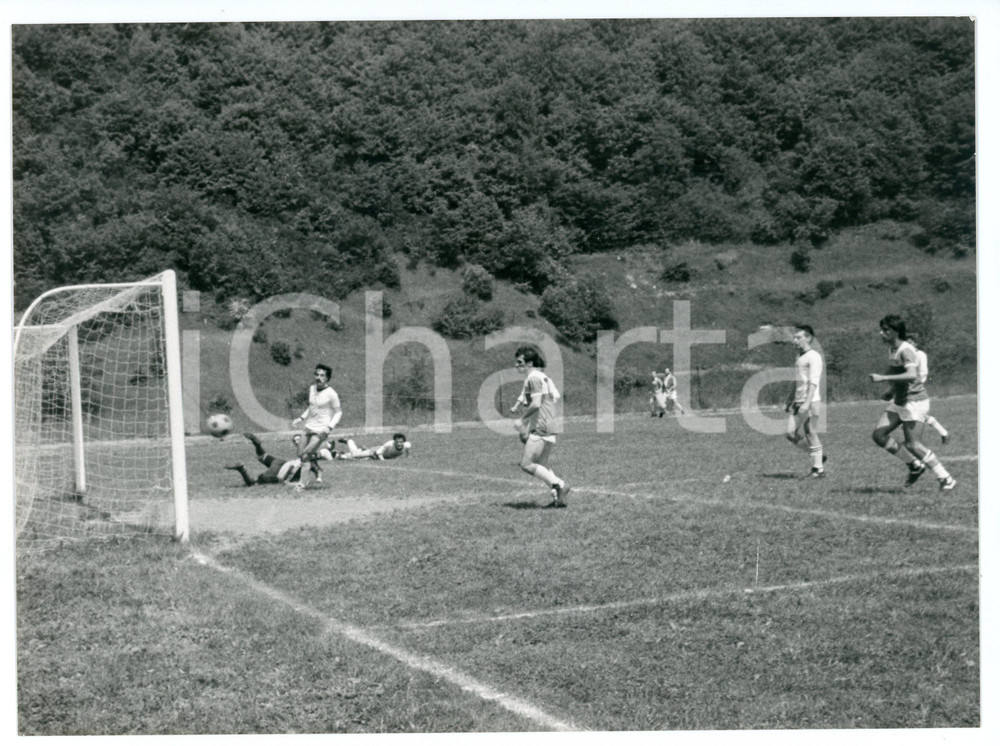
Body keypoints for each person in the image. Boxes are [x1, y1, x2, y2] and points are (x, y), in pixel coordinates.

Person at [869, 315, 956, 490]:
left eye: (885, 330)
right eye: (882, 329)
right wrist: (891, 391)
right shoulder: (893, 349)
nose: (881, 333)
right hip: (900, 401)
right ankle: (914, 466)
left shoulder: (906, 349)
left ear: (895, 331)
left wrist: (883, 378)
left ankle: (946, 478)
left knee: (913, 444)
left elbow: (911, 375)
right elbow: (900, 375)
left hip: (914, 402)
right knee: (879, 435)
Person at [513, 345, 570, 508]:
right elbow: (555, 397)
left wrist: (522, 420)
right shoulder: (542, 376)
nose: (517, 365)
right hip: (549, 424)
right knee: (542, 466)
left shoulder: (533, 378)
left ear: (529, 363)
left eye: (520, 362)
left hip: (541, 425)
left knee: (526, 464)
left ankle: (561, 485)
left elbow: (537, 404)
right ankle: (558, 499)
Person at [284, 363, 342, 492]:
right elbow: (311, 407)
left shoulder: (331, 393)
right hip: (308, 427)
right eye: (316, 374)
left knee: (305, 456)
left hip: (321, 430)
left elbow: (338, 412)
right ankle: (322, 454)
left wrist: (329, 428)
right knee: (300, 454)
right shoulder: (312, 389)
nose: (318, 377)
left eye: (322, 375)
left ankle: (301, 484)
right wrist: (301, 418)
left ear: (327, 378)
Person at [784, 325, 826, 478]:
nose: (794, 340)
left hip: (810, 401)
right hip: (798, 400)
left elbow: (814, 382)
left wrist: (807, 403)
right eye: (794, 338)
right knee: (789, 433)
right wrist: (790, 397)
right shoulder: (800, 357)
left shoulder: (814, 356)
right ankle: (818, 457)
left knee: (810, 433)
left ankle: (818, 469)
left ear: (808, 338)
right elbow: (798, 380)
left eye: (798, 337)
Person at [225, 433, 322, 486]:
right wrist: (318, 479)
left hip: (281, 463)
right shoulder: (308, 455)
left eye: (298, 440)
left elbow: (317, 470)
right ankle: (242, 469)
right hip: (281, 470)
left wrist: (319, 478)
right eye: (295, 440)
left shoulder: (306, 455)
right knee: (252, 482)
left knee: (261, 457)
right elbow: (317, 469)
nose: (297, 442)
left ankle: (257, 444)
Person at [908, 332, 950, 444]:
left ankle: (913, 440)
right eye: (907, 342)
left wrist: (915, 383)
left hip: (916, 388)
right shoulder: (906, 355)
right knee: (917, 413)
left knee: (916, 413)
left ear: (916, 343)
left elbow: (923, 372)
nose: (908, 344)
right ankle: (943, 433)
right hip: (907, 388)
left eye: (911, 342)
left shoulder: (920, 355)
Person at [336, 433, 411, 460]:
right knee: (355, 455)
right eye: (397, 442)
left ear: (403, 442)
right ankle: (349, 441)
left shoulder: (407, 445)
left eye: (401, 442)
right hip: (374, 452)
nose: (399, 444)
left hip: (380, 456)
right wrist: (383, 461)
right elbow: (378, 453)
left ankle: (341, 455)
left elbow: (407, 450)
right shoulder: (389, 444)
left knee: (360, 460)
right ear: (394, 441)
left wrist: (407, 457)